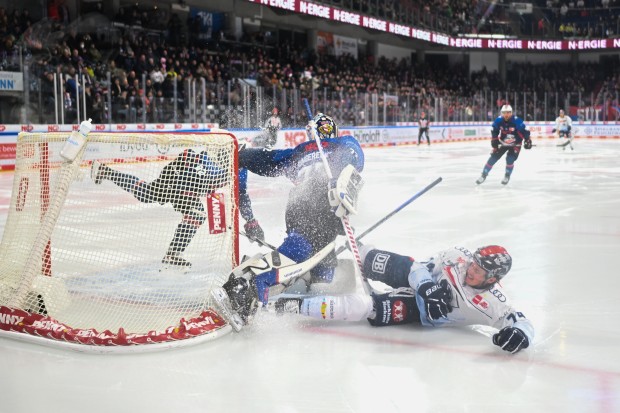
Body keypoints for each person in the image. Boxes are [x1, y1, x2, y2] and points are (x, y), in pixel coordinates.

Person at [220, 113, 365, 326]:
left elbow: (267, 160)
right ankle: (246, 282)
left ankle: (304, 276)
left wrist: (243, 155)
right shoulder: (342, 143)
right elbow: (354, 157)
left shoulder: (302, 151)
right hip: (314, 205)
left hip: (307, 207)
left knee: (321, 264)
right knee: (302, 247)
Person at [276, 244, 534, 354]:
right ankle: (354, 244)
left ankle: (289, 304)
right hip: (415, 274)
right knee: (370, 260)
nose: (471, 269)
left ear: (493, 279)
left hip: (418, 312)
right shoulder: (459, 257)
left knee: (365, 308)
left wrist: (521, 336)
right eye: (473, 263)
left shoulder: (493, 302)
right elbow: (419, 267)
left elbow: (518, 321)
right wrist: (426, 287)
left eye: (479, 270)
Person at [91, 148, 230, 268]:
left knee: (146, 194)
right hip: (176, 182)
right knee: (195, 214)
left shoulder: (219, 170)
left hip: (178, 183)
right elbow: (195, 164)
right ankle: (173, 254)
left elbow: (203, 179)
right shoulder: (213, 167)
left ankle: (106, 171)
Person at [476, 105, 532, 185]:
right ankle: (483, 175)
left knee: (510, 159)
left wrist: (528, 140)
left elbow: (524, 132)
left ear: (511, 113)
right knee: (493, 158)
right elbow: (494, 130)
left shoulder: (517, 121)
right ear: (502, 113)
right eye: (504, 113)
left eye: (508, 113)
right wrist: (494, 139)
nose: (506, 115)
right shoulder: (498, 120)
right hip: (503, 143)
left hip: (515, 144)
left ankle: (507, 175)